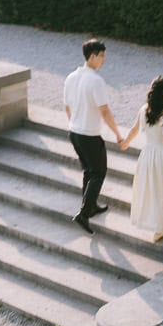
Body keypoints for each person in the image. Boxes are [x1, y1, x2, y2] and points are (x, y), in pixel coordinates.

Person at [120, 76, 163, 242]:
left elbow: (134, 130)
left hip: (147, 155)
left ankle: (155, 224)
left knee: (151, 191)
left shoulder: (144, 110)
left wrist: (125, 143)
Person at [64, 39, 123, 235]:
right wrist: (117, 134)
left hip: (75, 133)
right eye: (102, 56)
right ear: (93, 56)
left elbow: (67, 106)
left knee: (89, 172)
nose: (104, 60)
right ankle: (83, 213)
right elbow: (105, 111)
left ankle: (91, 205)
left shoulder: (71, 77)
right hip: (89, 135)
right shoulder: (96, 81)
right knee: (99, 172)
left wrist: (75, 123)